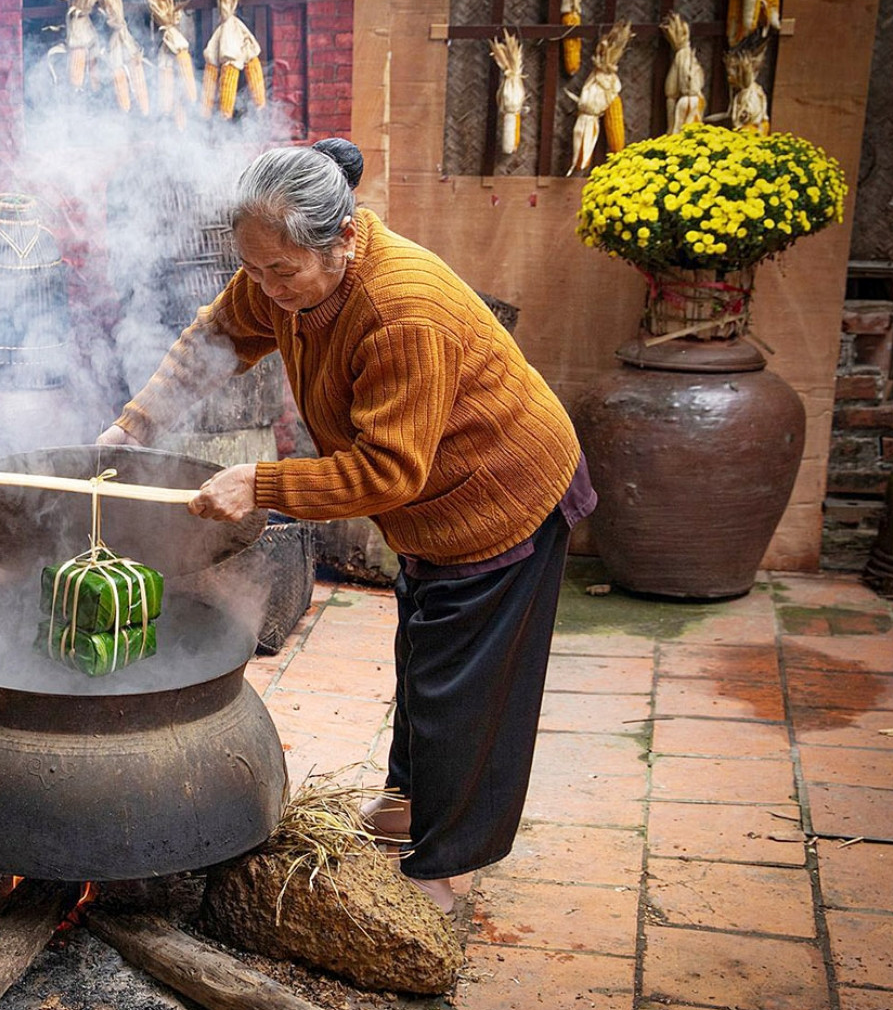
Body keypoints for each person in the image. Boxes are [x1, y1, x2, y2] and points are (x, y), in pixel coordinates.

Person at [98, 139, 594, 913]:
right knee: (424, 650)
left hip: (498, 491)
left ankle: (447, 867)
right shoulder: (282, 271)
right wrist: (134, 428)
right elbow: (214, 339)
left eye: (279, 273)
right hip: (430, 512)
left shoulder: (402, 312)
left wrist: (261, 485)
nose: (263, 289)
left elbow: (391, 471)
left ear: (345, 238)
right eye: (252, 269)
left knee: (468, 682)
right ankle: (409, 798)